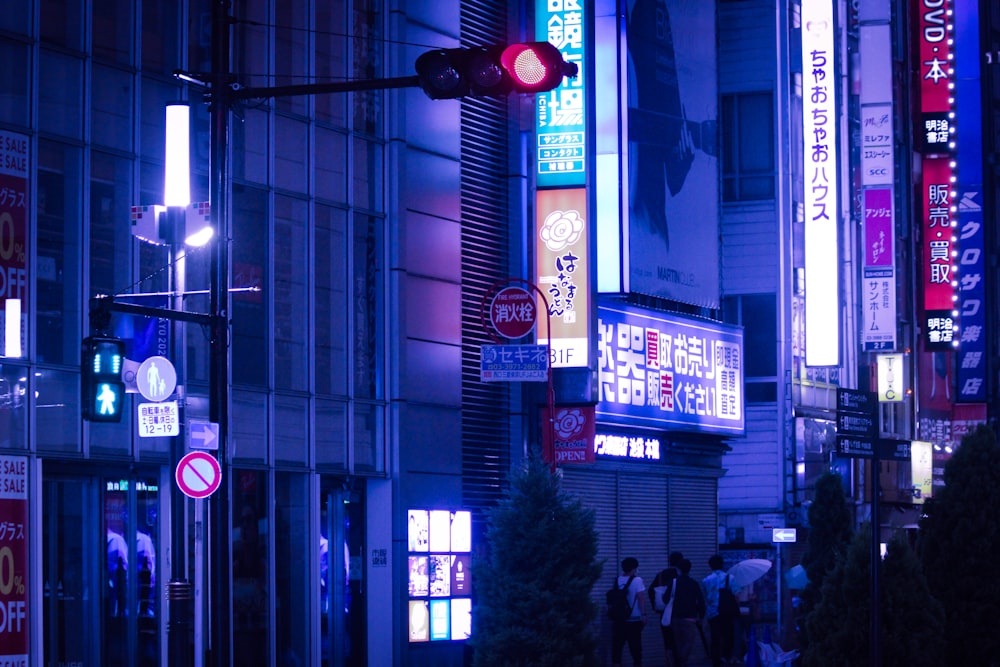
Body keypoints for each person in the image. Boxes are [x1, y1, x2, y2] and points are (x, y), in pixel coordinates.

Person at [702, 555, 738, 667]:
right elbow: (736, 595)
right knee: (728, 636)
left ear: (710, 566)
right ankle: (726, 657)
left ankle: (715, 660)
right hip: (727, 612)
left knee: (715, 637)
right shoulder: (730, 578)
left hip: (713, 613)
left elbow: (706, 597)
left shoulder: (706, 581)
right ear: (722, 564)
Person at [612, 557, 648, 667]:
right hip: (633, 620)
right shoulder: (637, 580)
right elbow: (641, 598)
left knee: (617, 650)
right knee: (636, 652)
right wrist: (644, 615)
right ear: (634, 568)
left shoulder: (617, 580)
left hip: (619, 620)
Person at [650, 551, 683, 666]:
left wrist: (657, 606)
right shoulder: (681, 575)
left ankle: (669, 662)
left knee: (667, 639)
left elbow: (651, 590)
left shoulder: (661, 574)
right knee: (679, 639)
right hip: (679, 612)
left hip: (664, 612)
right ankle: (679, 662)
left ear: (670, 561)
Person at [670, 558, 706, 667]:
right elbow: (700, 601)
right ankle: (683, 662)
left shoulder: (674, 583)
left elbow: (666, 598)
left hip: (675, 617)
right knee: (687, 643)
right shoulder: (693, 583)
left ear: (678, 569)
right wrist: (701, 616)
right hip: (690, 618)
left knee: (677, 643)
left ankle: (679, 662)